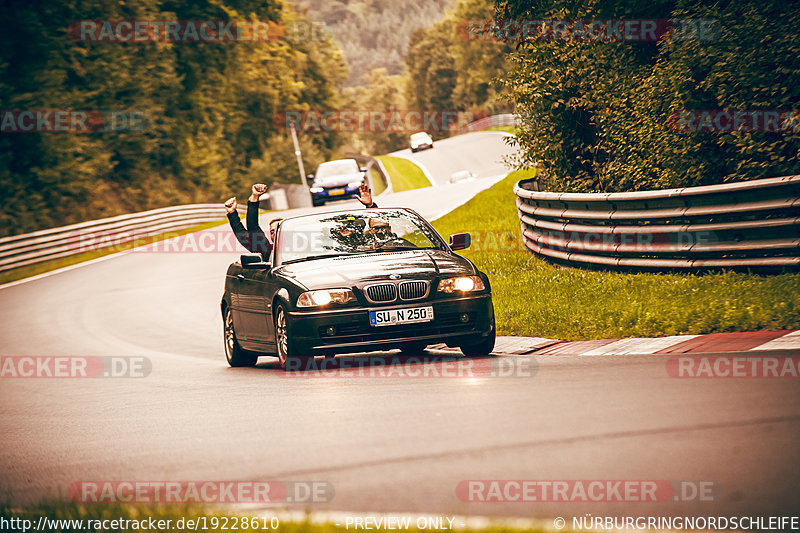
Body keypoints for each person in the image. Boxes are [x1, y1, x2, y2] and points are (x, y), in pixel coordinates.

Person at [224, 182, 377, 260]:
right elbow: (250, 231)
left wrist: (370, 206)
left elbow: (374, 231)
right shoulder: (268, 251)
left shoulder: (312, 248)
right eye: (272, 232)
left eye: (279, 229)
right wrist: (241, 208)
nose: (275, 234)